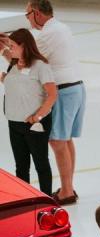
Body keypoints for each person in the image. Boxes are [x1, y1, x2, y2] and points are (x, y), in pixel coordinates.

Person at [19, 1, 84, 205]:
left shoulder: (48, 34)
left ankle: (66, 191)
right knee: (65, 140)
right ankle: (68, 187)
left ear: (37, 13)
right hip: (76, 88)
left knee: (57, 141)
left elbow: (28, 59)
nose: (28, 18)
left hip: (63, 91)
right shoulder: (60, 27)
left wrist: (7, 50)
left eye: (28, 14)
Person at [1, 29, 57, 196]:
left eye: (13, 46)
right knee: (21, 165)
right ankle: (25, 198)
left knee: (41, 163)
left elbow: (52, 94)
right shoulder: (14, 63)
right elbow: (16, 81)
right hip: (14, 122)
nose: (10, 49)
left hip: (34, 124)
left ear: (24, 46)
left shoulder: (41, 66)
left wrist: (38, 116)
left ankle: (46, 199)